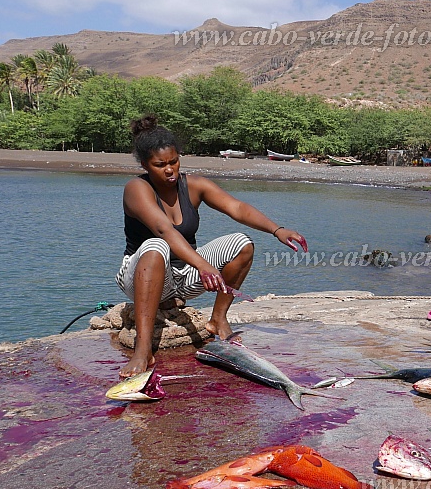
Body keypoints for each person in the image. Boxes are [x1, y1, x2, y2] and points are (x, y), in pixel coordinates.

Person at [116, 115, 307, 378]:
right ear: (146, 165)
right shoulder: (136, 188)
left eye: (174, 161)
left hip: (183, 274)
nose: (170, 169)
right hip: (141, 275)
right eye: (160, 165)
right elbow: (164, 229)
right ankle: (143, 349)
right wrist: (205, 267)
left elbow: (237, 208)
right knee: (156, 245)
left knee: (242, 244)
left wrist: (277, 229)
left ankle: (218, 319)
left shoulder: (194, 185)